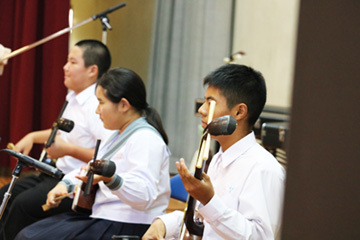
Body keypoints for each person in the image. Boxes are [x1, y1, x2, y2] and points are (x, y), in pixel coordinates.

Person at [15, 67, 171, 240]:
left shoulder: (146, 138)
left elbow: (144, 195)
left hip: (129, 225)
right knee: (29, 234)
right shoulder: (117, 135)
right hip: (104, 217)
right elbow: (91, 168)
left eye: (101, 102)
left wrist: (111, 179)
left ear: (124, 105)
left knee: (30, 237)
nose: (97, 111)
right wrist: (65, 184)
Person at [142, 64, 286, 240]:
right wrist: (164, 224)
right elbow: (202, 220)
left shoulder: (264, 169)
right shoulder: (218, 159)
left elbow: (259, 237)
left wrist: (209, 201)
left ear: (239, 111)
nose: (201, 110)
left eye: (210, 103)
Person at [0, 39, 114, 240]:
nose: (65, 67)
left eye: (72, 62)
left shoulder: (96, 106)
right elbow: (63, 134)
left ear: (92, 70)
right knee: (5, 194)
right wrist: (33, 136)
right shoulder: (74, 97)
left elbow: (104, 157)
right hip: (52, 173)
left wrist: (68, 150)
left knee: (22, 204)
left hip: (73, 182)